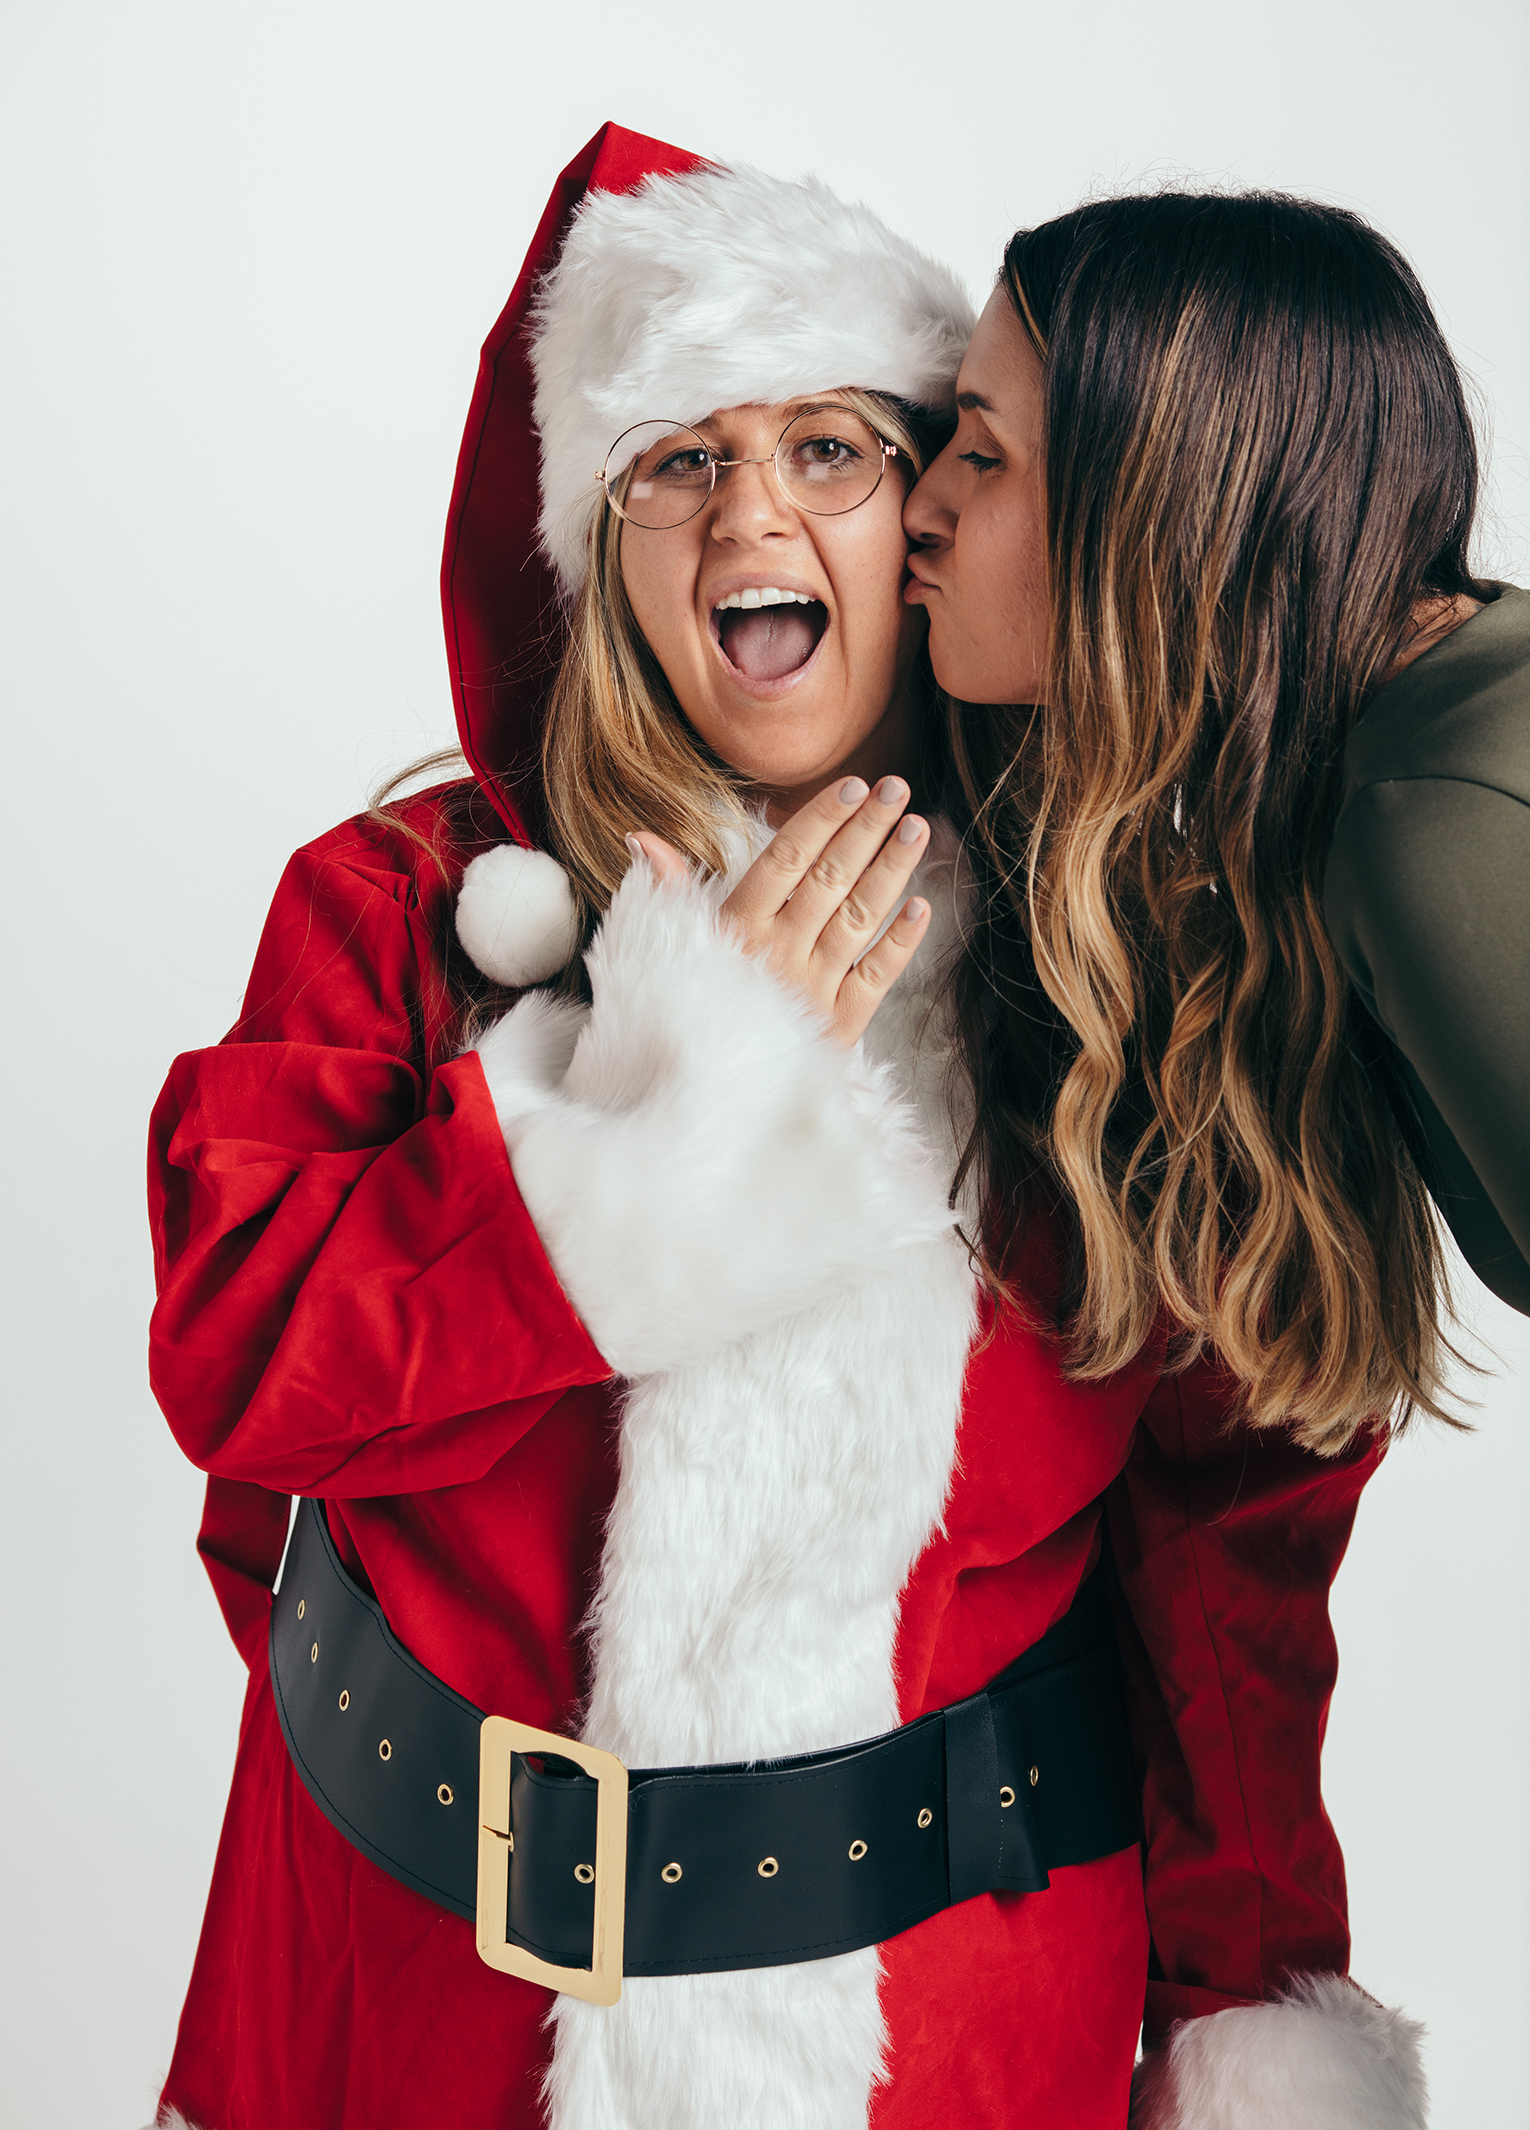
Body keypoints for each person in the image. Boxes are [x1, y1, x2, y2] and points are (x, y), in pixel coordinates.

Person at [148, 132, 1421, 2130]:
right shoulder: (398, 912)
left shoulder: (1117, 987)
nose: (756, 504)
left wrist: (1240, 2020)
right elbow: (246, 1389)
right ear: (597, 537)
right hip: (402, 2024)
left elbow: (1225, 1609)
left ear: (931, 522)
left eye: (834, 446)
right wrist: (659, 1118)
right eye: (679, 460)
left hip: (958, 2043)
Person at [903, 187, 1524, 2119]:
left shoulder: (1428, 822)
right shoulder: (1384, 744)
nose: (920, 503)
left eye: (983, 454)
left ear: (1155, 517)